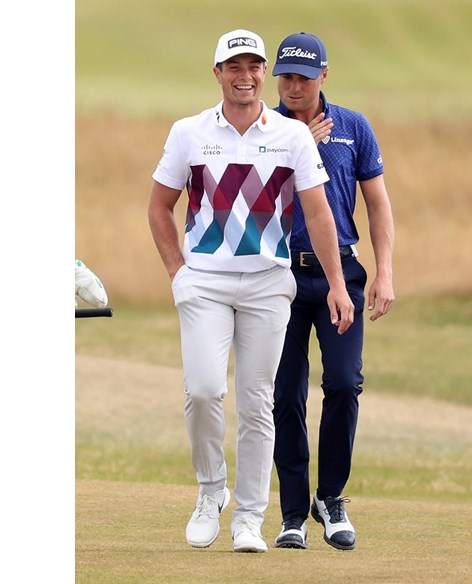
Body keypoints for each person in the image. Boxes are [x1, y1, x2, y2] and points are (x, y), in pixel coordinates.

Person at [146, 28, 354, 554]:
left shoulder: (292, 136)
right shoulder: (189, 133)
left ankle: (249, 519)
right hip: (205, 283)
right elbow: (158, 206)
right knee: (203, 390)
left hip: (267, 284)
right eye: (234, 67)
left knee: (258, 402)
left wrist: (336, 284)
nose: (245, 76)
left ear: (264, 72)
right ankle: (211, 490)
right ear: (217, 73)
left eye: (254, 67)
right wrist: (178, 272)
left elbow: (317, 211)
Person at [268, 32, 395, 551]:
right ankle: (293, 512)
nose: (293, 86)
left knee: (344, 384)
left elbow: (379, 205)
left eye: (303, 76)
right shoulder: (264, 127)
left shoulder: (354, 127)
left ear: (324, 75)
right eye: (286, 77)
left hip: (341, 272)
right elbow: (257, 201)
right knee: (284, 396)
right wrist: (303, 148)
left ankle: (332, 497)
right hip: (276, 276)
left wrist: (385, 272)